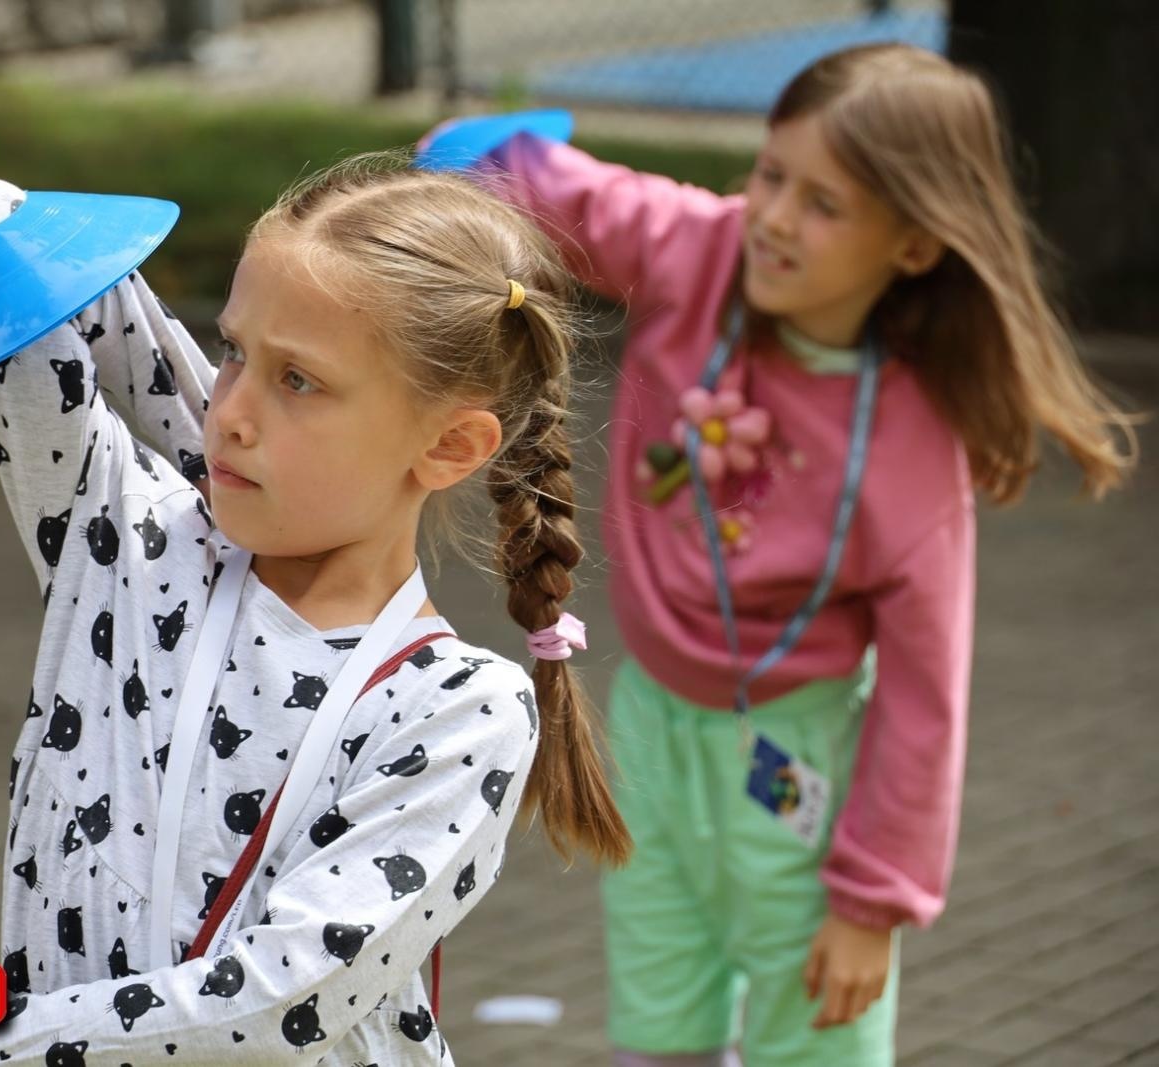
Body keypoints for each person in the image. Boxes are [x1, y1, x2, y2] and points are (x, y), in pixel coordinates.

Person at [423, 43, 1136, 1067]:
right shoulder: (702, 251)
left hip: (798, 770)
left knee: (816, 1036)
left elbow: (924, 695)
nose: (775, 214)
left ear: (914, 244)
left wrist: (872, 902)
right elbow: (580, 196)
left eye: (825, 204)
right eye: (771, 174)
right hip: (654, 735)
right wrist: (467, 163)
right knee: (659, 1026)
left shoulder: (909, 441)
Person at [0, 158, 630, 1067]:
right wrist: (243, 413)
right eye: (232, 350)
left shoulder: (459, 711)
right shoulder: (125, 548)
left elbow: (276, 1002)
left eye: (299, 381)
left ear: (450, 445)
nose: (231, 411)